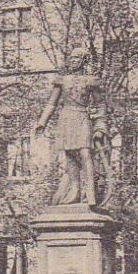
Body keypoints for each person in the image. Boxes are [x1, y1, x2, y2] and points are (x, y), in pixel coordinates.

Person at [34, 48, 103, 207]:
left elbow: (100, 105)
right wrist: (42, 122)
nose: (72, 61)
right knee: (70, 156)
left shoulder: (91, 81)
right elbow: (52, 103)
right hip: (66, 117)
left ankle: (90, 192)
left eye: (76, 58)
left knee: (85, 153)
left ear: (84, 61)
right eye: (71, 58)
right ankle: (75, 191)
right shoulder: (61, 80)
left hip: (81, 117)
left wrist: (100, 127)